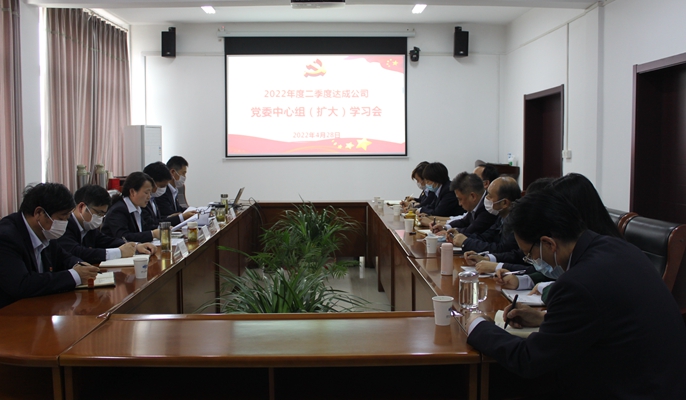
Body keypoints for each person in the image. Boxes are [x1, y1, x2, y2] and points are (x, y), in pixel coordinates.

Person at [464, 190, 686, 399]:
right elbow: (605, 318)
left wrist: (477, 325)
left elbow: (529, 359)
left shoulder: (578, 283)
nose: (532, 261)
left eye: (529, 254)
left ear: (548, 243)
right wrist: (543, 319)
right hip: (664, 383)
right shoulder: (616, 247)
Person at [0, 183, 100, 309]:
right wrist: (75, 275)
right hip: (11, 313)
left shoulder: (44, 231)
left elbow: (63, 257)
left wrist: (79, 265)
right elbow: (21, 284)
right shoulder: (6, 237)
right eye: (61, 218)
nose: (65, 224)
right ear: (39, 213)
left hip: (39, 307)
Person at [56, 185, 156, 264]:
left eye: (103, 214)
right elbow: (77, 251)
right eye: (98, 213)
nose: (100, 217)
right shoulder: (63, 225)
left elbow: (106, 241)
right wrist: (119, 252)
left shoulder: (88, 226)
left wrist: (135, 246)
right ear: (81, 207)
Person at [450, 176, 520, 256]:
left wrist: (466, 242)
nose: (486, 198)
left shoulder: (516, 221)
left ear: (504, 203)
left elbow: (502, 249)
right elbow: (486, 237)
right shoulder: (501, 216)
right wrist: (459, 236)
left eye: (490, 196)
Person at [430, 172, 497, 236]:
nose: (459, 204)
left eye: (460, 199)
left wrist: (450, 232)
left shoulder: (487, 208)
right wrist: (445, 227)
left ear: (473, 196)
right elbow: (464, 222)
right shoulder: (477, 204)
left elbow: (471, 231)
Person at [101, 172, 160, 242]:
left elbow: (145, 227)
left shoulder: (137, 206)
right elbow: (123, 237)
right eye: (146, 193)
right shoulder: (118, 210)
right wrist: (152, 234)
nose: (149, 197)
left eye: (150, 193)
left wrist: (162, 229)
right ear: (132, 192)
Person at [141, 162, 196, 227]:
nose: (164, 189)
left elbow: (157, 219)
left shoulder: (152, 198)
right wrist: (180, 217)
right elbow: (150, 224)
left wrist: (170, 217)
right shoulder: (143, 200)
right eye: (162, 186)